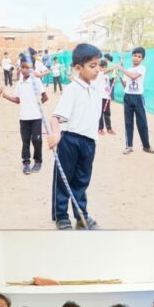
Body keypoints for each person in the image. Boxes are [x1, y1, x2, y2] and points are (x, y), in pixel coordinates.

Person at [48, 43, 103, 230]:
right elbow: (55, 117)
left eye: (98, 65)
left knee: (82, 181)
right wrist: (55, 135)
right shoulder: (72, 89)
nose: (97, 70)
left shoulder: (95, 87)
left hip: (89, 142)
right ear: (79, 68)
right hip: (70, 141)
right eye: (92, 66)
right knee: (64, 180)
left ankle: (81, 215)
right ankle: (61, 216)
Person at [0, 58, 48, 175]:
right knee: (25, 141)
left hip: (36, 117)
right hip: (24, 118)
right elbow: (17, 100)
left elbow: (45, 97)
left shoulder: (36, 81)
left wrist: (37, 105)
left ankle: (38, 161)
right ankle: (26, 163)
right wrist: (4, 95)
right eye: (22, 67)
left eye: (27, 68)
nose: (24, 70)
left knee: (37, 141)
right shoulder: (19, 84)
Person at [117, 46, 154, 155]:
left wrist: (121, 69)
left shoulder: (142, 68)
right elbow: (125, 85)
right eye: (134, 56)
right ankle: (129, 146)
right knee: (128, 122)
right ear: (132, 56)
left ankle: (146, 146)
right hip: (128, 97)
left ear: (142, 59)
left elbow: (134, 77)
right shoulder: (128, 70)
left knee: (142, 122)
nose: (136, 58)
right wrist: (120, 76)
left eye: (139, 56)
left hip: (138, 97)